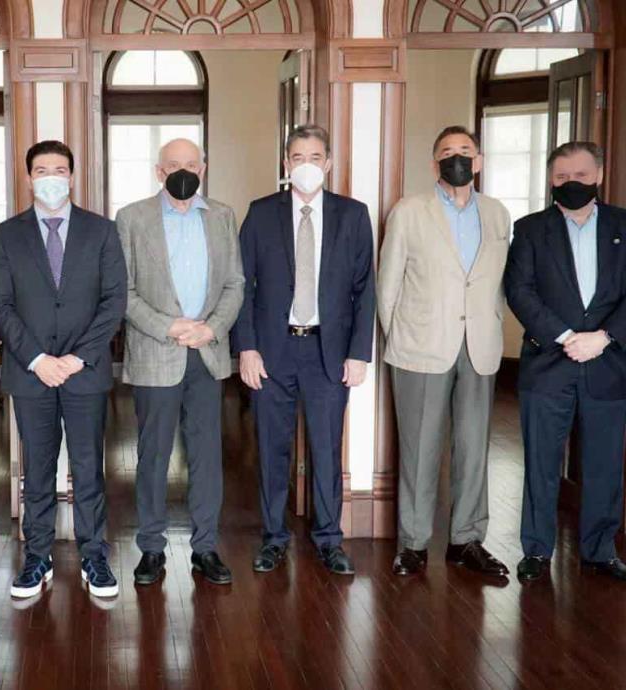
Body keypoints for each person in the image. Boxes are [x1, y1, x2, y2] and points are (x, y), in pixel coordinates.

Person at [0, 140, 127, 599]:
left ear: (72, 176)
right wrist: (37, 359)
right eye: (42, 170)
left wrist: (77, 357)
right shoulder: (5, 235)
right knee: (38, 468)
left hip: (85, 370)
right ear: (29, 177)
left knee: (88, 468)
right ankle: (37, 557)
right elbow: (0, 304)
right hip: (31, 373)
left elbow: (114, 301)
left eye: (60, 169)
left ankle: (94, 556)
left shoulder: (102, 231)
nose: (51, 177)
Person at [231, 124, 374, 575]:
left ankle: (329, 538)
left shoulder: (353, 215)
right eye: (297, 157)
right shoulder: (261, 213)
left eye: (315, 157)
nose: (306, 166)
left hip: (328, 353)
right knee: (272, 449)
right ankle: (274, 537)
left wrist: (359, 353)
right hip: (272, 352)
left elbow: (364, 289)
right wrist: (247, 348)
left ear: (328, 163)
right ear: (285, 163)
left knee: (326, 449)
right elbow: (241, 287)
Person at [378, 126, 511, 578]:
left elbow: (496, 282)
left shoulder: (497, 214)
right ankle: (413, 543)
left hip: (479, 346)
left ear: (479, 161)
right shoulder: (409, 211)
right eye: (448, 153)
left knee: (473, 448)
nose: (458, 159)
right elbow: (388, 285)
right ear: (434, 164)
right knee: (419, 448)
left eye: (466, 151)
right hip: (420, 346)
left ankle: (466, 540)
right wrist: (401, 337)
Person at [117, 138, 245, 586]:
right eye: (173, 165)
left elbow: (235, 284)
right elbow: (123, 291)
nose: (183, 172)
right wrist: (169, 326)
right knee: (153, 455)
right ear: (159, 172)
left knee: (207, 455)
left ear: (203, 168)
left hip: (206, 353)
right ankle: (151, 549)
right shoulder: (132, 218)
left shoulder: (223, 216)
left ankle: (205, 548)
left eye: (191, 164)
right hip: (157, 351)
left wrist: (212, 328)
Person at [505, 141, 626, 583]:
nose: (570, 183)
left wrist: (603, 338)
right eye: (561, 177)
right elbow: (519, 290)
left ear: (598, 176)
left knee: (604, 464)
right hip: (548, 363)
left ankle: (599, 551)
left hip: (608, 364)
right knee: (541, 462)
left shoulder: (622, 225)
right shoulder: (530, 229)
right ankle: (537, 551)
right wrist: (566, 337)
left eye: (580, 175)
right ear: (550, 180)